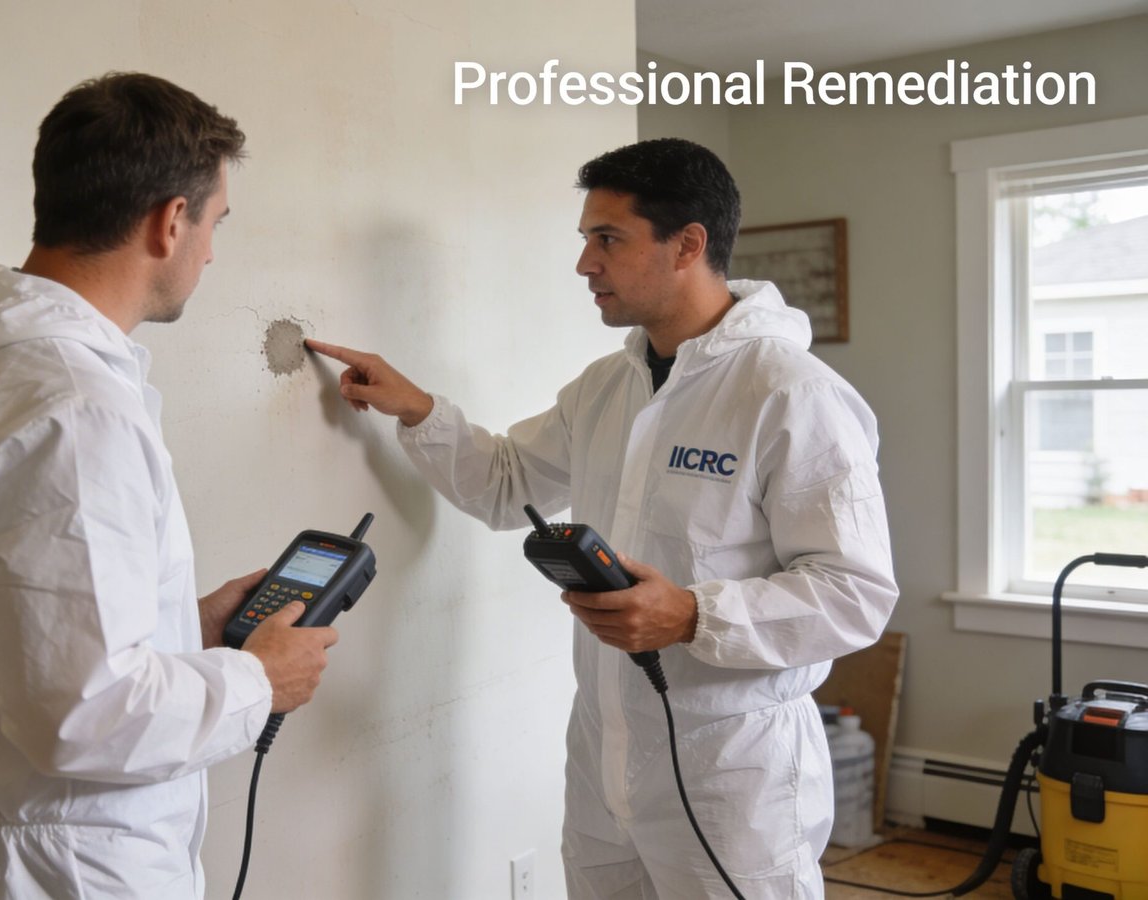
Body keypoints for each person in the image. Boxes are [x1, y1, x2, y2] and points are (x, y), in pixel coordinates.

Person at [307, 138, 897, 898]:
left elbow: (855, 592)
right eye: (587, 239)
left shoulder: (790, 394)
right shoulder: (606, 387)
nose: (585, 264)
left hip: (732, 772)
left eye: (607, 239)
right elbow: (505, 483)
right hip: (605, 756)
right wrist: (416, 408)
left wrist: (690, 614)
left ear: (688, 244)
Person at [0, 72, 338, 899]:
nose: (214, 251)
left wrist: (179, 627)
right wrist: (260, 681)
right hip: (69, 872)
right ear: (171, 220)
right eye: (216, 222)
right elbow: (80, 714)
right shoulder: (77, 412)